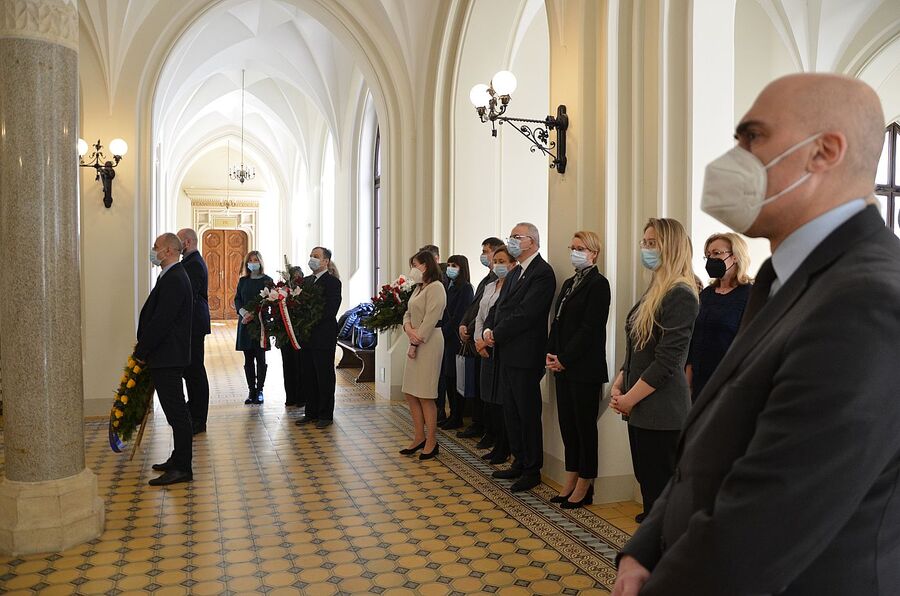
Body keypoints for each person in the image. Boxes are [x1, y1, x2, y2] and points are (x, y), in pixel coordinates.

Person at [613, 74, 900, 596]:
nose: (734, 157)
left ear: (824, 152)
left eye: (753, 137)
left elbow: (770, 516)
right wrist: (643, 548)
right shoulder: (779, 278)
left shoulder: (867, 298)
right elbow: (713, 445)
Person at [609, 218, 698, 523]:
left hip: (662, 411)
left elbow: (667, 361)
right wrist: (619, 382)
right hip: (641, 407)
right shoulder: (655, 289)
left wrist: (630, 398)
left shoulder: (680, 294)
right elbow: (637, 347)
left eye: (652, 243)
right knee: (648, 485)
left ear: (670, 247)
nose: (646, 249)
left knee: (662, 493)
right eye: (644, 243)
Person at [483, 223, 556, 492]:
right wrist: (490, 328)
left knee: (526, 413)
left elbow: (527, 313)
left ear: (533, 241)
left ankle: (532, 468)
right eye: (510, 237)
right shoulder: (516, 273)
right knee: (511, 411)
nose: (511, 241)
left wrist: (497, 333)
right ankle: (518, 460)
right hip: (506, 352)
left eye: (516, 237)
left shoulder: (542, 273)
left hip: (526, 355)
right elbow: (501, 305)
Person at [546, 231, 611, 509]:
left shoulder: (599, 284)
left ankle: (586, 482)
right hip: (561, 365)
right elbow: (558, 321)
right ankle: (570, 476)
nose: (575, 252)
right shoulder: (571, 282)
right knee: (568, 425)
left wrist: (565, 358)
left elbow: (590, 329)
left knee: (585, 427)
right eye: (572, 247)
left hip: (584, 368)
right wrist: (551, 354)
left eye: (580, 248)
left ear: (594, 253)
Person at [137, 233, 194, 486]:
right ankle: (177, 458)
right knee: (174, 411)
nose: (153, 251)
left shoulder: (175, 278)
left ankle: (183, 467)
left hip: (168, 355)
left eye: (156, 247)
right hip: (165, 354)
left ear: (170, 250)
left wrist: (142, 350)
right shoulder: (170, 275)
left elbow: (162, 321)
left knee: (177, 412)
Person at [685, 232, 752, 401]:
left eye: (716, 253)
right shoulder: (706, 294)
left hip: (730, 384)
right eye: (707, 255)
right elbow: (695, 339)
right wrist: (688, 380)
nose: (711, 259)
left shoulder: (750, 295)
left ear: (735, 256)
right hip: (700, 382)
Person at [399, 250, 447, 459]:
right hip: (415, 339)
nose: (413, 270)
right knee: (411, 392)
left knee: (426, 394)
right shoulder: (419, 288)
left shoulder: (436, 288)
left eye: (416, 265)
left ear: (426, 266)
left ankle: (432, 441)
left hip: (429, 341)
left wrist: (416, 337)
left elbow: (431, 317)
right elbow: (407, 313)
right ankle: (418, 436)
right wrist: (409, 329)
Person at [458, 237, 505, 442]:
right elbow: (474, 308)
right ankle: (481, 425)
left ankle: (490, 430)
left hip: (489, 342)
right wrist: (464, 325)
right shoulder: (487, 281)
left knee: (490, 393)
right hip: (478, 339)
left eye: (486, 251)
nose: (484, 255)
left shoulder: (503, 281)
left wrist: (477, 335)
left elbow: (491, 314)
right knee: (480, 388)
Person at [474, 245, 516, 463]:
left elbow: (504, 318)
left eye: (502, 261)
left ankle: (504, 446)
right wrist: (478, 341)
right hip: (484, 345)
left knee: (501, 401)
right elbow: (484, 314)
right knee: (489, 397)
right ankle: (494, 441)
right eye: (496, 261)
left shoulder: (512, 286)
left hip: (498, 347)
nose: (497, 264)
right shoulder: (490, 285)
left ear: (512, 264)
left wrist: (487, 340)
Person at [295, 247, 342, 428]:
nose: (312, 259)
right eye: (311, 256)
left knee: (324, 376)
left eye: (316, 256)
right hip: (306, 337)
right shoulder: (305, 282)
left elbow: (331, 309)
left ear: (325, 261)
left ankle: (325, 414)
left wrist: (310, 320)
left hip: (323, 335)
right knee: (308, 375)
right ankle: (311, 412)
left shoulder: (332, 283)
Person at [176, 228, 211, 435]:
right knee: (191, 371)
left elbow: (189, 296)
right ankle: (194, 413)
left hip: (193, 326)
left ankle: (199, 419)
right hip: (191, 325)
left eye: (179, 242)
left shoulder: (194, 264)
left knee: (195, 372)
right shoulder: (190, 262)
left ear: (187, 242)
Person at [438, 255, 474, 430]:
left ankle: (457, 415)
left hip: (454, 338)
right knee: (448, 377)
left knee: (455, 378)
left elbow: (460, 314)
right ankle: (451, 412)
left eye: (454, 265)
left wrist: (443, 332)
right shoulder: (446, 285)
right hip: (445, 339)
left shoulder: (466, 288)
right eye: (449, 265)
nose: (450, 268)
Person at [235, 251, 273, 405]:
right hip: (245, 322)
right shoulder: (243, 281)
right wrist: (243, 312)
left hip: (260, 324)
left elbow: (270, 300)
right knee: (248, 358)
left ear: (260, 262)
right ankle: (251, 390)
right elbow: (237, 298)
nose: (253, 262)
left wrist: (255, 313)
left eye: (255, 260)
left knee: (260, 358)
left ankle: (260, 390)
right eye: (250, 260)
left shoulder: (267, 280)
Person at [281, 264, 305, 408]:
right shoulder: (282, 293)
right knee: (288, 366)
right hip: (285, 335)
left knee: (301, 367)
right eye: (293, 277)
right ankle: (290, 397)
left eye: (298, 277)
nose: (296, 279)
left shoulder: (305, 291)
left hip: (300, 335)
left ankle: (301, 397)